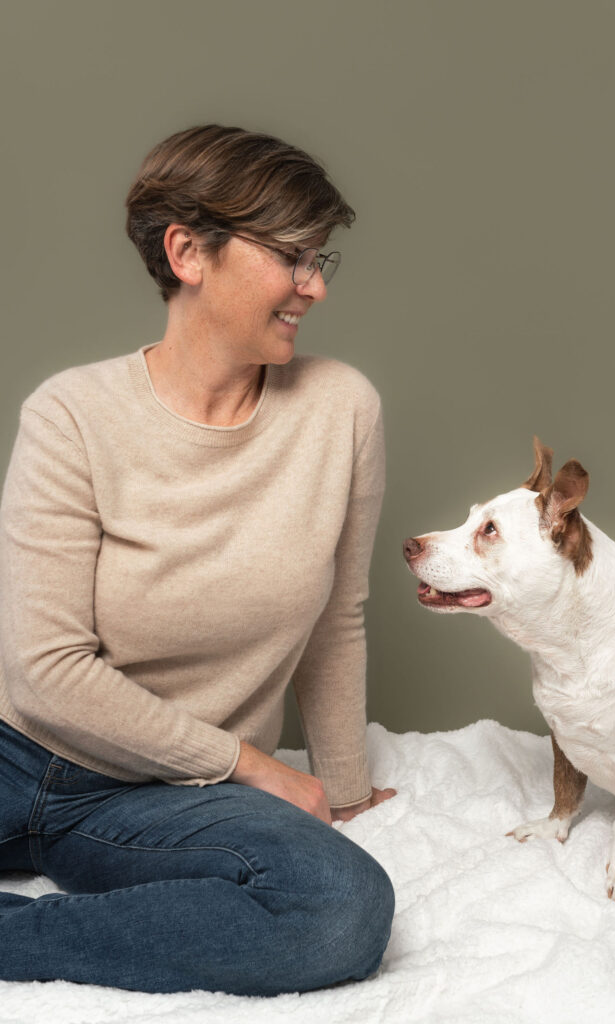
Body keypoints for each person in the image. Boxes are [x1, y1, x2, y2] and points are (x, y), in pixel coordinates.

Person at [0, 124, 396, 996]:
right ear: (188, 251)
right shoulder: (70, 414)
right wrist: (257, 769)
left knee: (339, 905)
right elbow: (44, 673)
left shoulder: (341, 410)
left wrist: (345, 786)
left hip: (158, 798)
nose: (316, 286)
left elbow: (338, 619)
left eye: (321, 258)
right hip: (17, 748)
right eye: (293, 256)